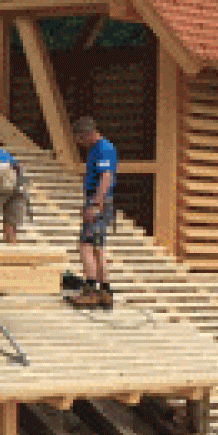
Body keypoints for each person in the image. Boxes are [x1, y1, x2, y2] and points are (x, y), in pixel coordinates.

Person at [72, 114, 118, 308]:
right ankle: (105, 292)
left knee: (86, 245)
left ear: (88, 133)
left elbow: (106, 177)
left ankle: (90, 289)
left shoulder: (103, 148)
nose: (80, 143)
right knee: (98, 246)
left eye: (81, 138)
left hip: (98, 200)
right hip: (101, 201)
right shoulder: (97, 149)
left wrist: (95, 204)